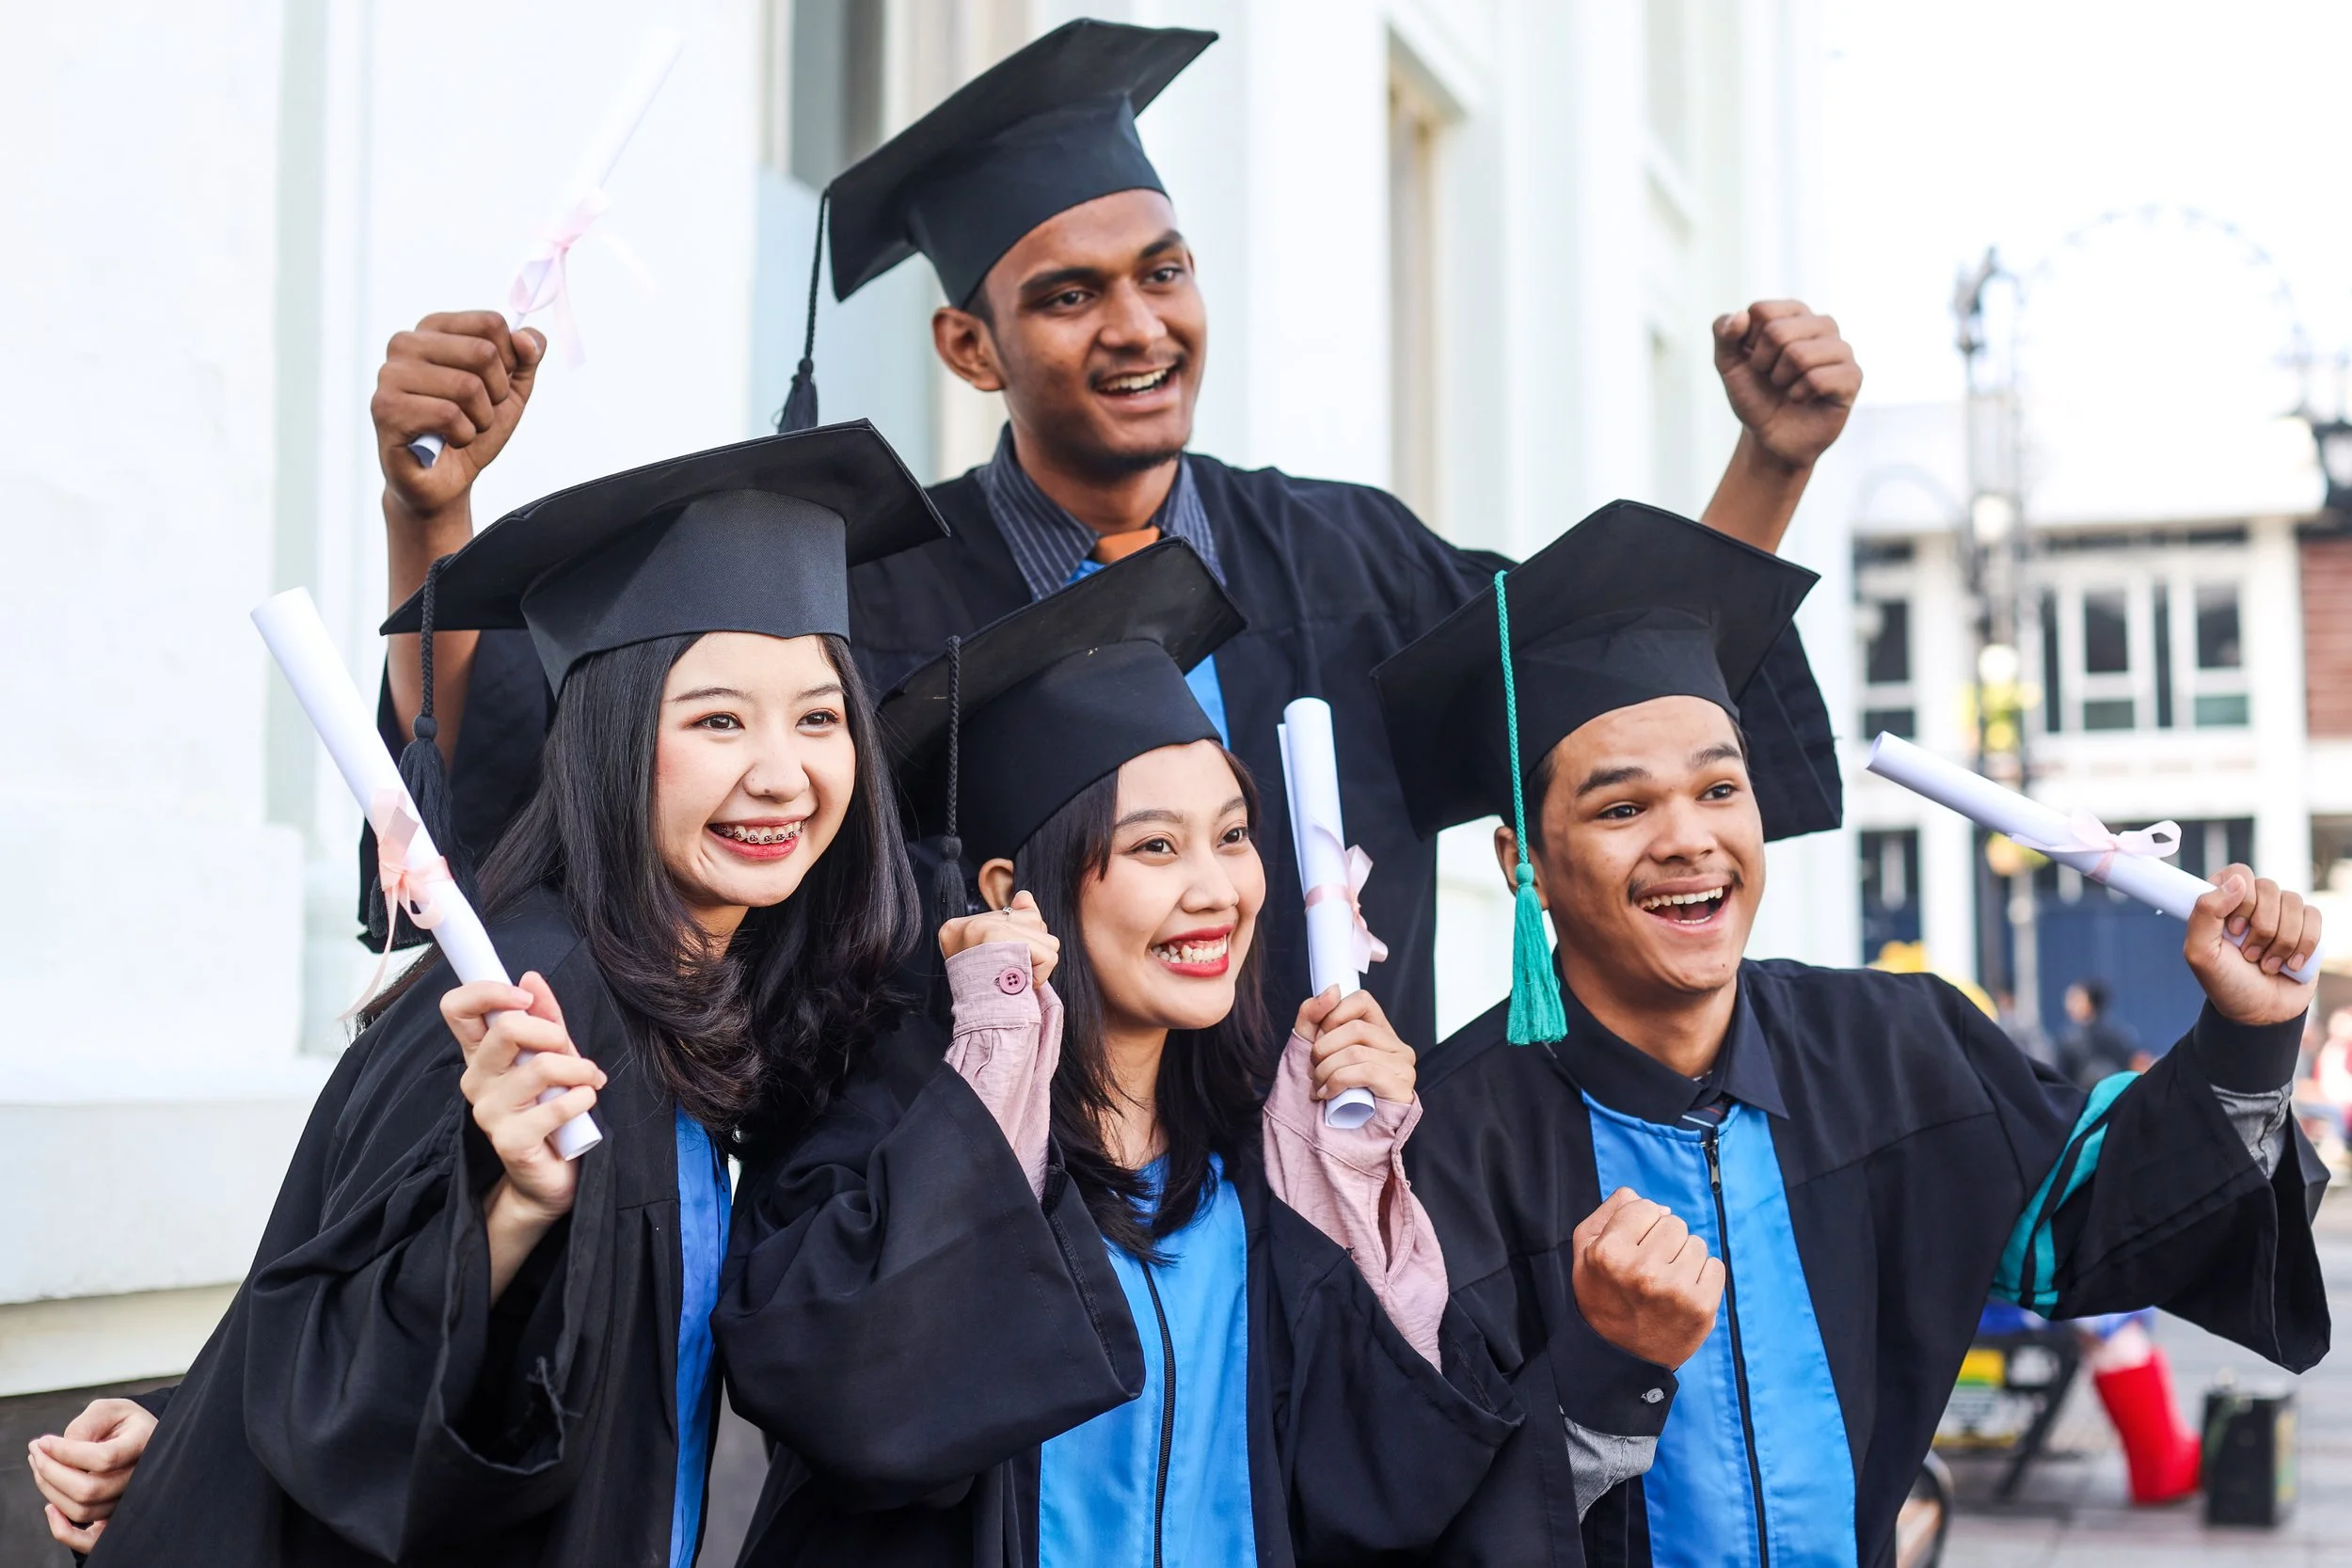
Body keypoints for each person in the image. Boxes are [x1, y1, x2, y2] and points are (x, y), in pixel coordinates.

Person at [361, 16, 1862, 1055]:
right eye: (1069, 295)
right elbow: (530, 793)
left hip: (1332, 1237)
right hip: (995, 1268)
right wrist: (432, 512)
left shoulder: (1349, 558)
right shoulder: (860, 603)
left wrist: (1768, 464)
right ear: (968, 344)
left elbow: (1616, 678)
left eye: (1165, 272)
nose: (1138, 325)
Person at [1372, 500, 2331, 1566]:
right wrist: (1605, 1367)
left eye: (1719, 787)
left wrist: (2245, 1037)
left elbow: (2094, 1226)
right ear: (1522, 861)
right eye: (1620, 808)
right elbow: (1405, 1517)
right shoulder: (1435, 1157)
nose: (1689, 837)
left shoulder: (1897, 1048)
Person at [56, 428, 945, 1565]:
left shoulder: (674, 998)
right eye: (718, 718)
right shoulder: (526, 1002)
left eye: (818, 716)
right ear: (617, 738)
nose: (782, 771)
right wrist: (514, 1207)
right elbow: (336, 1372)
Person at [713, 541, 1518, 1564]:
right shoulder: (866, 1130)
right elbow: (867, 1415)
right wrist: (999, 1053)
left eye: (1232, 835)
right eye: (1153, 846)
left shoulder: (1251, 1154)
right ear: (1013, 891)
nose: (1217, 889)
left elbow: (1384, 1485)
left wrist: (1353, 1187)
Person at [2056, 976, 2143, 1086]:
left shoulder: (2070, 1039)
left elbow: (2061, 1080)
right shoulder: (2121, 1033)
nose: (2069, 1004)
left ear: (2090, 1002)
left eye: (2076, 999)